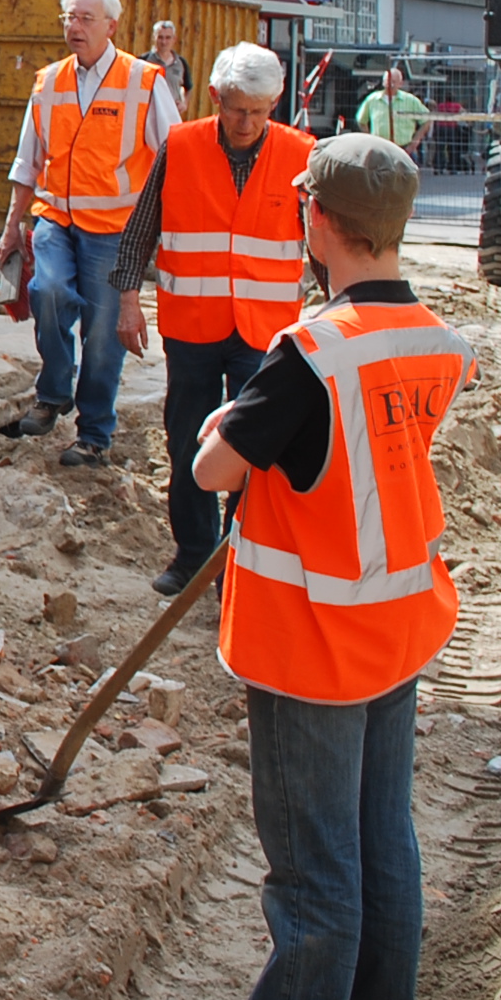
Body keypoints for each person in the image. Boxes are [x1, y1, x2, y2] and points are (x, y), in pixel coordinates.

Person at [150, 135, 474, 1000]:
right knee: (384, 852)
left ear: (320, 221)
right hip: (395, 625)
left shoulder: (312, 348)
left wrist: (218, 437)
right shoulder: (429, 336)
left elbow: (213, 470)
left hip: (313, 644)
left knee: (314, 873)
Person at [109, 43, 312, 595]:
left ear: (274, 103)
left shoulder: (302, 155)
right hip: (193, 328)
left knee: (252, 450)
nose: (246, 122)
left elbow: (323, 243)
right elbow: (140, 229)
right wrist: (129, 300)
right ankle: (193, 556)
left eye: (259, 111)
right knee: (187, 444)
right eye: (236, 108)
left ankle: (237, 561)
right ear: (217, 97)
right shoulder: (181, 145)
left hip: (266, 334)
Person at [0, 0, 179, 467]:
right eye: (69, 19)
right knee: (47, 291)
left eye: (85, 19)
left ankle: (94, 433)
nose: (74, 28)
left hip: (115, 229)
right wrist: (13, 226)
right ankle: (54, 391)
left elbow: (173, 158)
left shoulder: (144, 81)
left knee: (102, 334)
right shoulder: (48, 81)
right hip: (56, 217)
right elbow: (27, 161)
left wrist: (164, 235)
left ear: (111, 26)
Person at [352, 67, 431, 154]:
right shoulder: (372, 99)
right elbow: (361, 120)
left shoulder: (410, 100)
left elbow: (426, 120)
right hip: (379, 150)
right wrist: (370, 139)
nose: (390, 84)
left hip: (405, 150)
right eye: (387, 81)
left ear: (400, 84)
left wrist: (414, 143)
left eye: (393, 81)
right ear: (383, 82)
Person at [148, 19, 191, 105]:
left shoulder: (181, 63)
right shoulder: (144, 60)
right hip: (148, 113)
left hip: (171, 113)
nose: (164, 42)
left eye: (168, 38)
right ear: (154, 38)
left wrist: (184, 103)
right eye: (160, 37)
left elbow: (188, 87)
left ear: (174, 39)